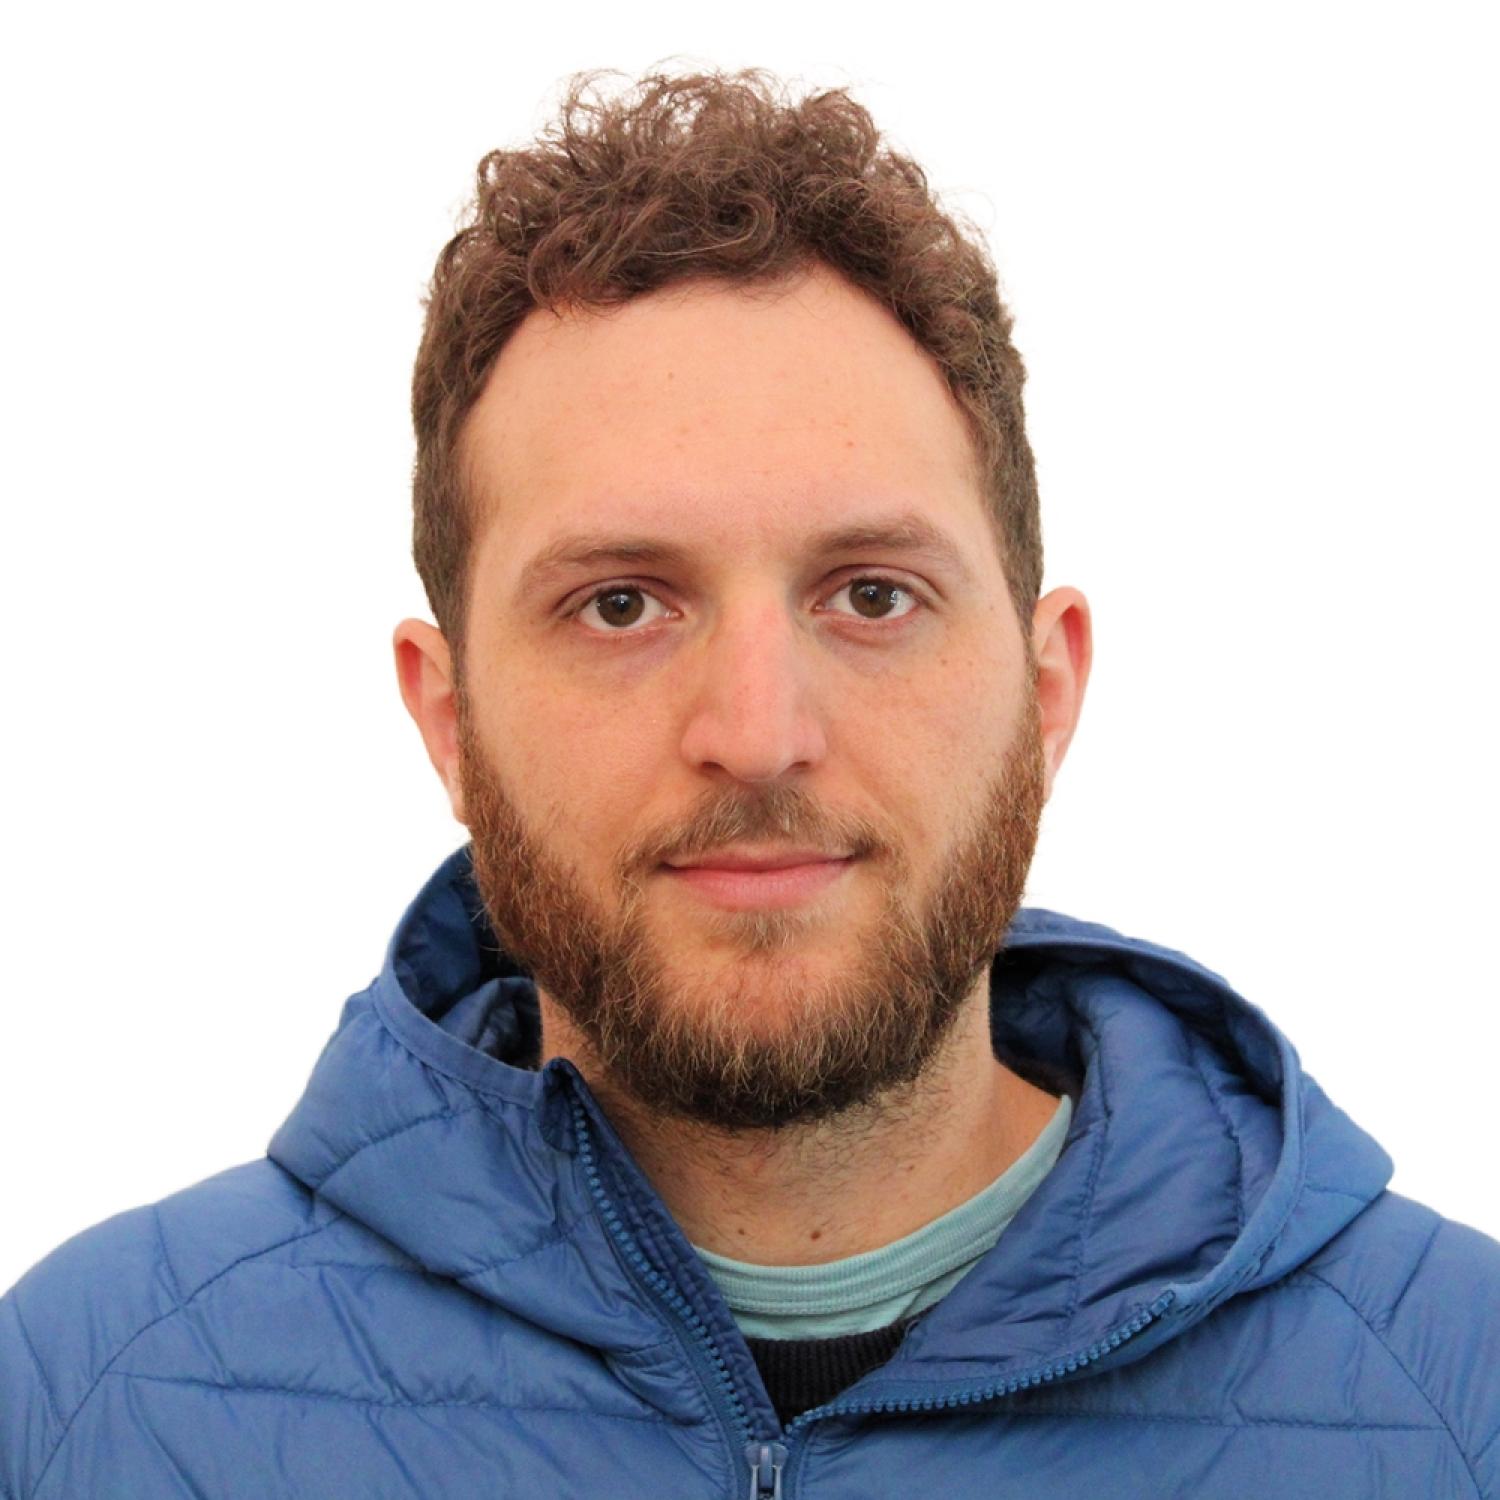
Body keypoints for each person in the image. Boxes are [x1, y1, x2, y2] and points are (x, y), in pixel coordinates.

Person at [3, 66, 1496, 1500]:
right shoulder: (84, 1407)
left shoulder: (1463, 1403)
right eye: (620, 605)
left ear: (1047, 693)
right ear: (447, 720)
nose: (759, 732)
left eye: (872, 595)